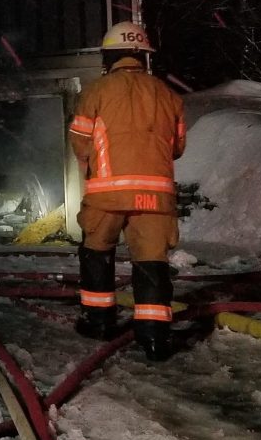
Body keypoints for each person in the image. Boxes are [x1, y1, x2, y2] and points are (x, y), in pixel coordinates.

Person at [67, 21, 186, 361]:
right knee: (151, 261)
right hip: (155, 197)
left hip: (107, 195)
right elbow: (177, 147)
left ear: (110, 57)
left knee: (96, 251)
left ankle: (99, 320)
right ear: (143, 56)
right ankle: (153, 336)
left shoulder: (95, 92)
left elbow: (80, 143)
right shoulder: (168, 95)